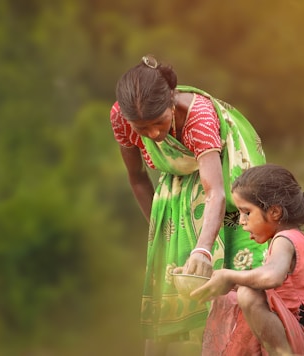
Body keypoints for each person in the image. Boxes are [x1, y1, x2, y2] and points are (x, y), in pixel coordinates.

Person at [110, 54, 267, 355]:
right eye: (142, 129)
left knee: (242, 289)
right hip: (174, 192)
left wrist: (202, 248)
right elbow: (137, 179)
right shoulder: (121, 118)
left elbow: (216, 192)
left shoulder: (199, 117)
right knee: (165, 293)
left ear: (171, 103)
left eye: (159, 123)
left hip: (225, 193)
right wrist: (166, 234)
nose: (154, 134)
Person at [191, 164, 304, 356]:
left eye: (247, 212)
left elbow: (272, 277)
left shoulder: (286, 239)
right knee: (232, 295)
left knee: (248, 294)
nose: (241, 221)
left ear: (274, 212)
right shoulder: (303, 242)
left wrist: (229, 275)